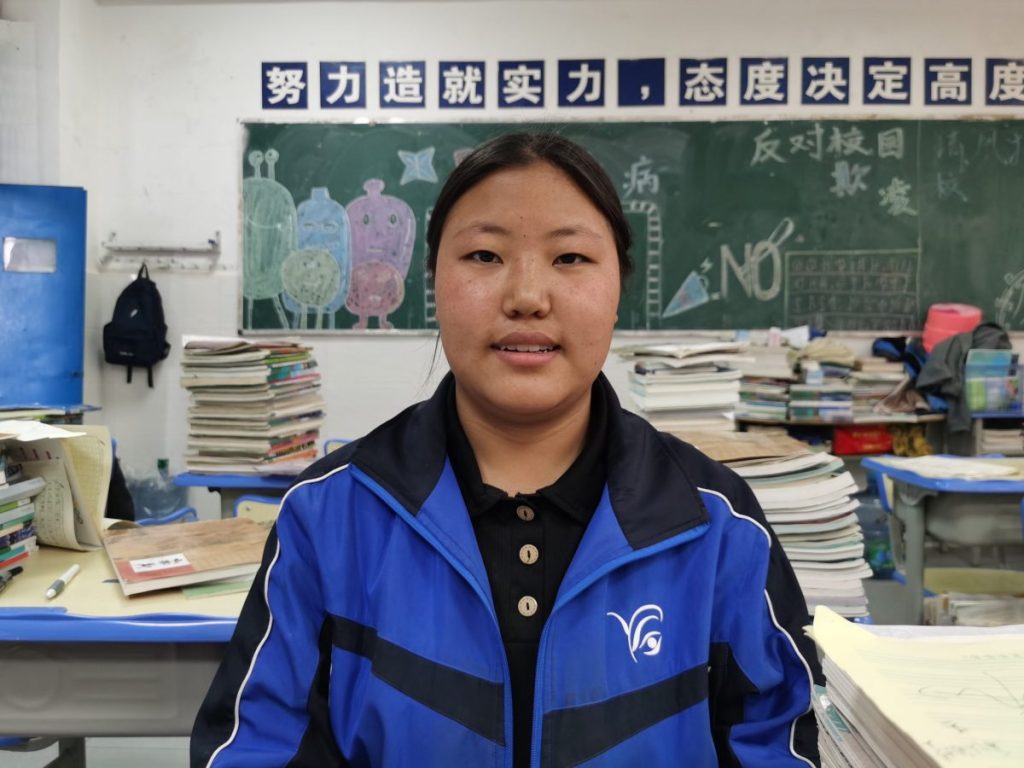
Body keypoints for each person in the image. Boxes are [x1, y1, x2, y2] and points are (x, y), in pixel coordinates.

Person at [191, 133, 822, 768]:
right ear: (433, 278)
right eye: (485, 255)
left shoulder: (713, 522)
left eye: (570, 258)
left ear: (619, 286)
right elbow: (256, 744)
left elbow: (779, 744)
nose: (526, 295)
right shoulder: (330, 514)